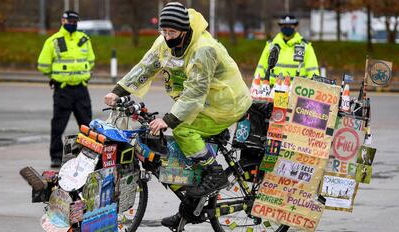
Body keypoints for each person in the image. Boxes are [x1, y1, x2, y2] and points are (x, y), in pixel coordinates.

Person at [104, 2, 252, 228]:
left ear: (184, 30)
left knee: (183, 128)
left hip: (225, 103)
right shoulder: (163, 42)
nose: (167, 36)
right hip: (204, 103)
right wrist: (118, 91)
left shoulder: (204, 49)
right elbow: (145, 67)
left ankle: (215, 172)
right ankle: (189, 208)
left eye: (172, 32)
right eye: (163, 31)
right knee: (179, 141)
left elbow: (195, 93)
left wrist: (168, 120)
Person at [37, 10, 95, 168]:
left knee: (87, 126)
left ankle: (89, 155)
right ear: (62, 21)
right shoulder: (54, 41)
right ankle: (56, 157)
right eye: (70, 21)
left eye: (75, 22)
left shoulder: (84, 39)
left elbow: (90, 60)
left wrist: (83, 74)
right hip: (63, 90)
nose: (72, 24)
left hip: (81, 89)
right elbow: (43, 64)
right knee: (58, 125)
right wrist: (55, 76)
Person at [254, 15, 319, 85]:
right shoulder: (271, 45)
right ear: (280, 27)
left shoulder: (306, 47)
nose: (287, 28)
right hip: (272, 91)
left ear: (296, 27)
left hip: (296, 92)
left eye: (290, 25)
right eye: (284, 25)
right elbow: (260, 69)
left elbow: (313, 72)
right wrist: (257, 87)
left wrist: (313, 90)